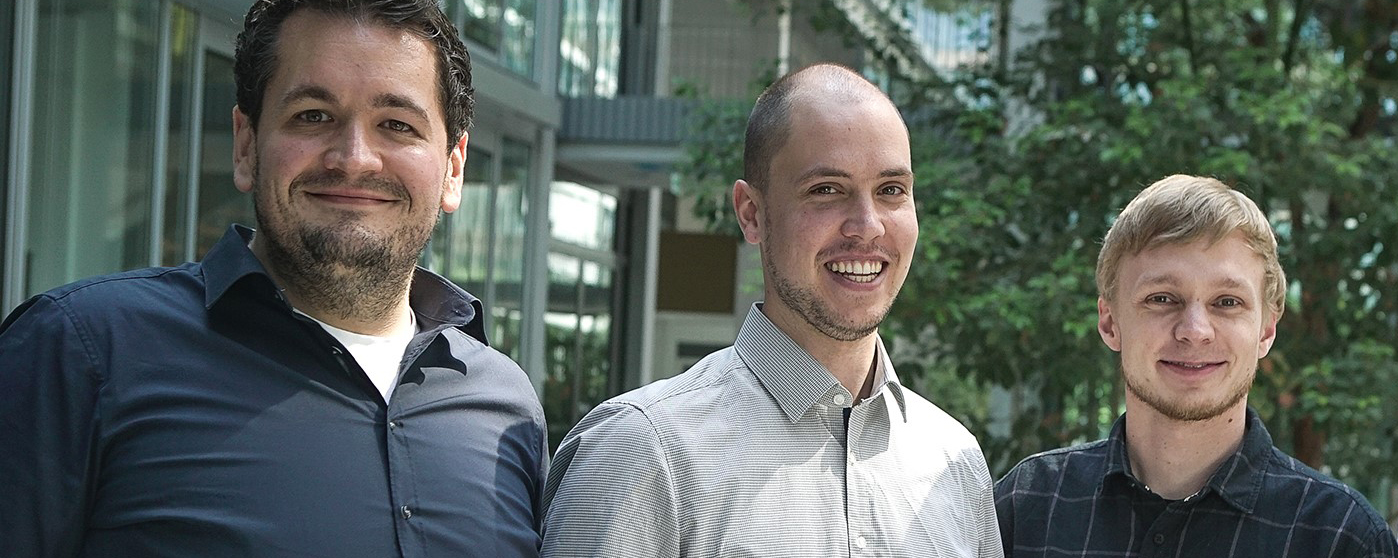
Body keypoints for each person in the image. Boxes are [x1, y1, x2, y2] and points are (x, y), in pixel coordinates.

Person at [0, 1, 546, 556]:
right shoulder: (81, 353)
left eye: (397, 125)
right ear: (246, 144)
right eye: (312, 115)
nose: (354, 159)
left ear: (453, 168)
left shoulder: (505, 405)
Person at [539, 63, 1001, 557]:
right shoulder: (640, 453)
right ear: (751, 214)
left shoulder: (955, 463)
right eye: (826, 190)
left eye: (891, 191)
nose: (867, 227)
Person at [994, 175, 1398, 557]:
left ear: (1266, 330)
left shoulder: (1339, 537)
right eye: (1162, 298)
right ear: (1110, 322)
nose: (1195, 331)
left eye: (1227, 302)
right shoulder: (1026, 509)